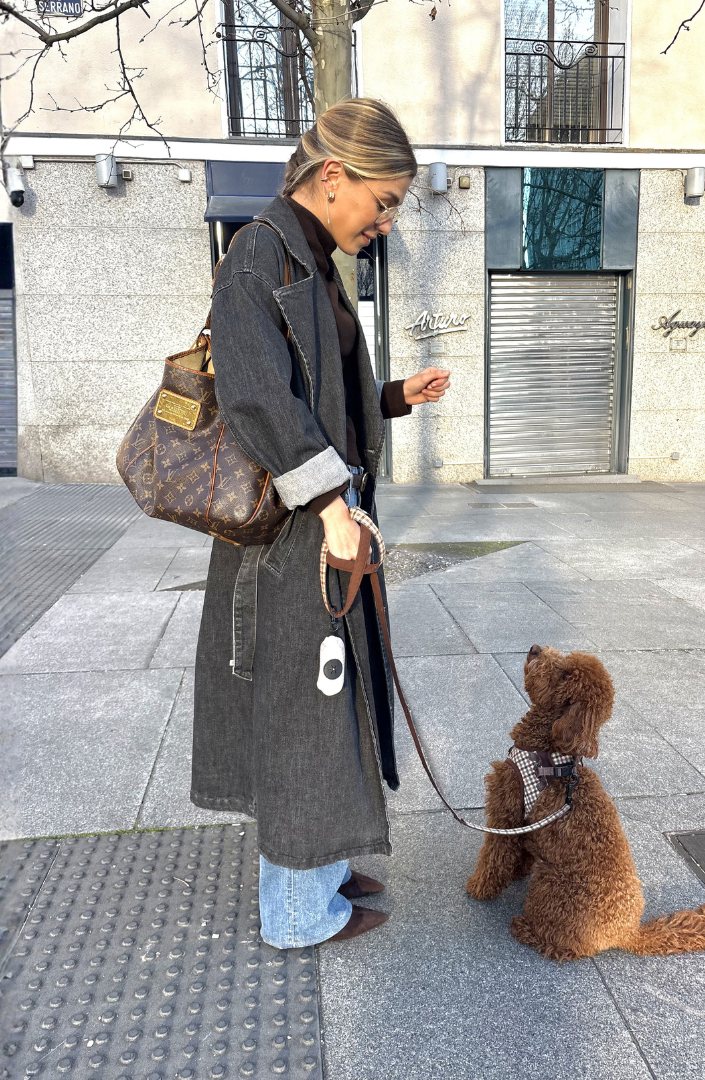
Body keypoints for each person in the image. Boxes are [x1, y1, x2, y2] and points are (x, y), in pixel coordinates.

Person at [191, 98, 449, 948]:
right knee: (306, 715)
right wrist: (335, 506)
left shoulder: (307, 256)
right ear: (333, 175)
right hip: (292, 539)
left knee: (333, 704)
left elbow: (315, 399)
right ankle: (297, 914)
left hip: (322, 528)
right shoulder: (256, 260)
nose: (386, 221)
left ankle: (328, 867)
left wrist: (390, 398)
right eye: (385, 201)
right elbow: (260, 398)